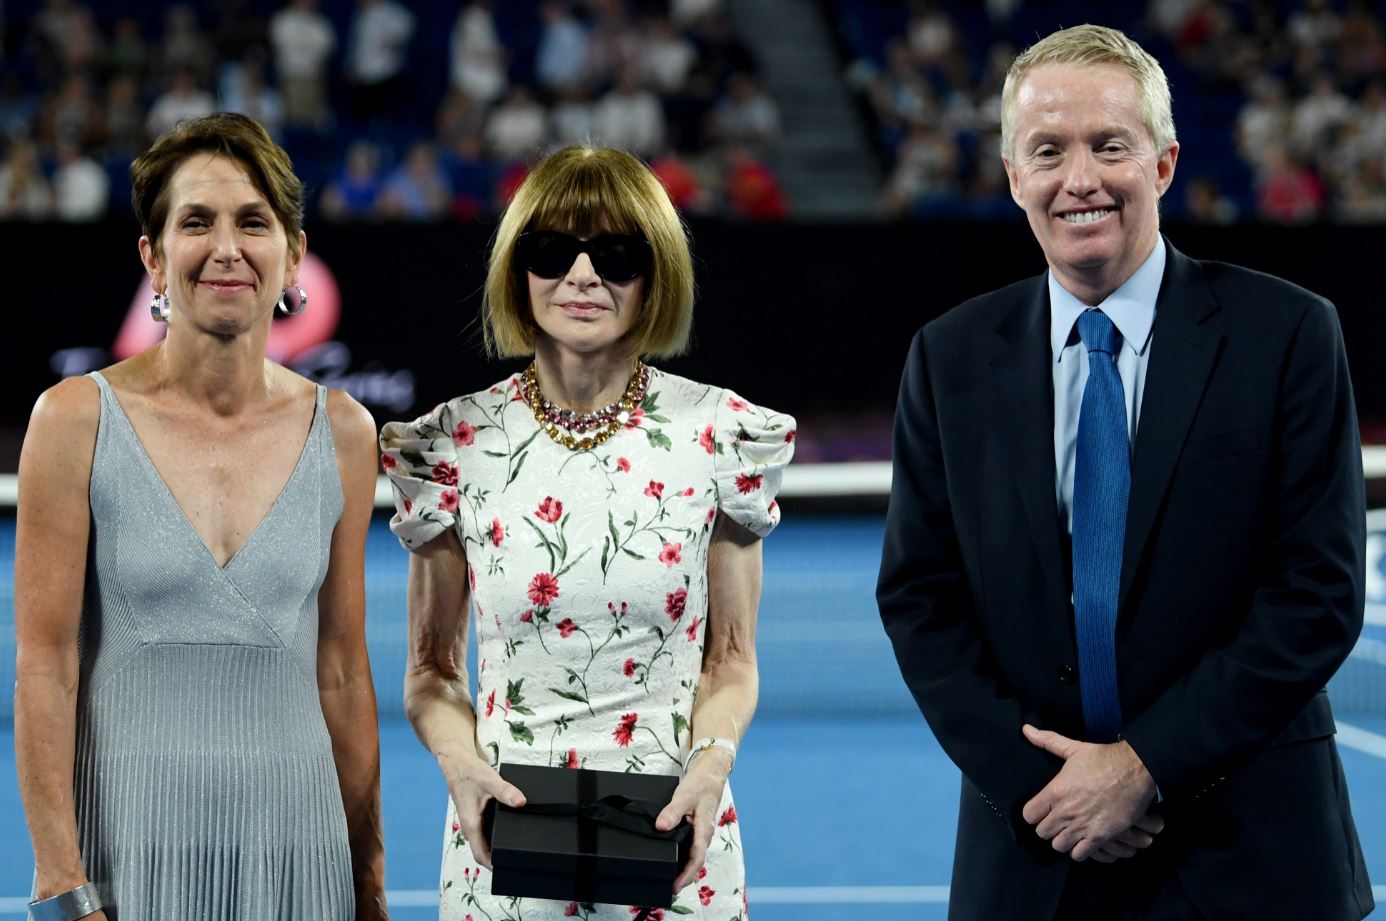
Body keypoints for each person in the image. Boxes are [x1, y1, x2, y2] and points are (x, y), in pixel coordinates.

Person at [876, 24, 1372, 921]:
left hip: (1252, 855)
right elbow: (920, 597)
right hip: (1037, 852)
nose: (1081, 179)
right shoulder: (948, 359)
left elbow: (1318, 593)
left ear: (1165, 163)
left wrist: (1143, 767)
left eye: (1110, 146)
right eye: (1048, 151)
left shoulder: (1288, 334)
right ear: (1013, 176)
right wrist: (1050, 791)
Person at [380, 145, 794, 920]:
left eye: (615, 255)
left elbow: (732, 661)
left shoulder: (721, 434)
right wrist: (460, 762)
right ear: (518, 270)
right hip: (501, 851)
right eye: (551, 251)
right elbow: (431, 671)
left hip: (679, 845)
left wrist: (712, 762)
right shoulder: (454, 444)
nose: (581, 275)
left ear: (655, 274)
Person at [14, 113, 388, 921]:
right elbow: (44, 667)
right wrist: (60, 885)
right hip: (127, 856)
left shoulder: (347, 433)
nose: (226, 248)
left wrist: (369, 882)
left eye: (252, 222)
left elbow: (343, 672)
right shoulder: (74, 419)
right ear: (153, 256)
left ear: (293, 254)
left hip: (299, 855)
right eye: (196, 222)